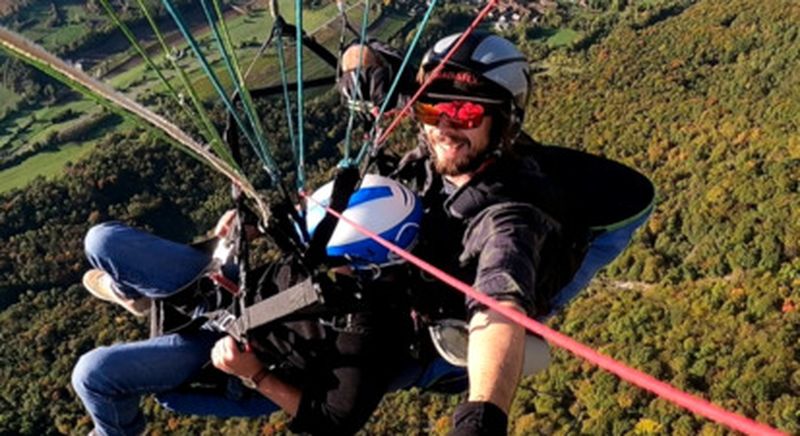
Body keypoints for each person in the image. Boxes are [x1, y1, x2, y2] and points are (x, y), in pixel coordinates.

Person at [341, 32, 652, 435]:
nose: (446, 127)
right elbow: (359, 53)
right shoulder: (440, 132)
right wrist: (376, 77)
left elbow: (499, 305)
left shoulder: (511, 219)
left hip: (438, 333)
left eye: (467, 114)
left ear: (503, 121)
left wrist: (481, 419)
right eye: (434, 110)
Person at [72, 175, 422, 436]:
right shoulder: (348, 241)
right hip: (228, 286)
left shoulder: (369, 329)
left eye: (325, 255)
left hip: (232, 348)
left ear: (366, 263)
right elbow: (298, 237)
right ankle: (136, 295)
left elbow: (333, 421)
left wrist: (255, 373)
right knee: (101, 241)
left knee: (93, 375)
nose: (312, 254)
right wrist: (246, 232)